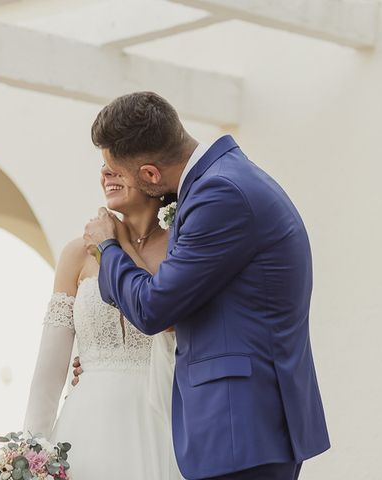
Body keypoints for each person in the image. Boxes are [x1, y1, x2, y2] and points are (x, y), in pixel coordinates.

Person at [83, 91, 330, 480]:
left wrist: (108, 247)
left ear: (149, 174)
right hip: (243, 428)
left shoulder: (220, 194)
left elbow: (153, 308)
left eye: (121, 172)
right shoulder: (225, 179)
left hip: (239, 427)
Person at [22, 161, 184, 479]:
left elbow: (164, 318)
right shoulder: (76, 255)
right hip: (84, 427)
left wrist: (115, 246)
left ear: (152, 175)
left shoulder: (181, 250)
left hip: (160, 421)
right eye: (103, 166)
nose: (106, 174)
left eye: (118, 165)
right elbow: (48, 375)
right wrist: (29, 456)